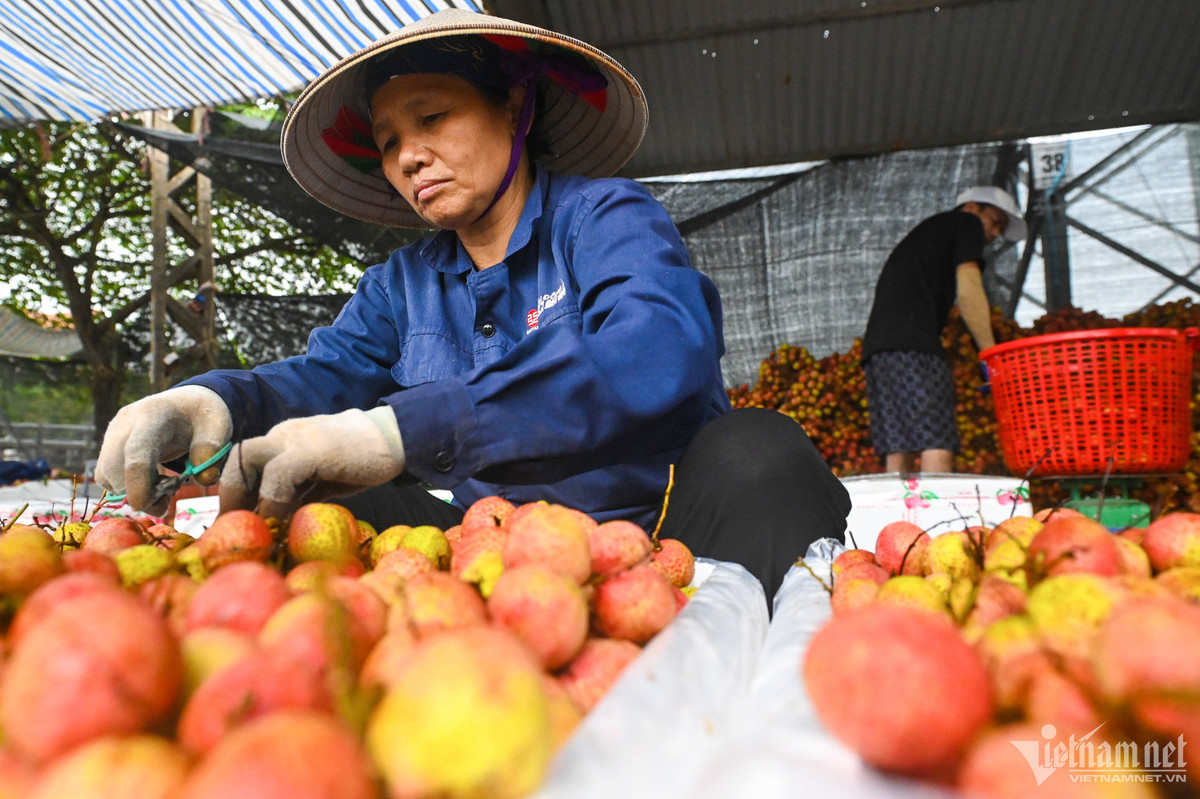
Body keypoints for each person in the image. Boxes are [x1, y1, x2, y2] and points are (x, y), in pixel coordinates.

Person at [95, 9, 850, 603]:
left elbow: (656, 348)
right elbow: (320, 377)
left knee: (761, 452)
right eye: (388, 141)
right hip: (491, 556)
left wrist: (409, 428)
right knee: (315, 498)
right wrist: (214, 400)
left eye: (431, 119)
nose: (407, 157)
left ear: (514, 108)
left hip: (666, 528)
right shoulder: (401, 284)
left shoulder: (605, 218)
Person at [861, 185, 1027, 475]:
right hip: (915, 346)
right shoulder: (966, 223)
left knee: (897, 444)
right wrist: (988, 351)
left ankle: (898, 518)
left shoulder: (930, 233)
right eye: (995, 221)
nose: (996, 233)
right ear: (973, 207)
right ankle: (938, 516)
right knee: (935, 438)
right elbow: (969, 288)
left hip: (879, 351)